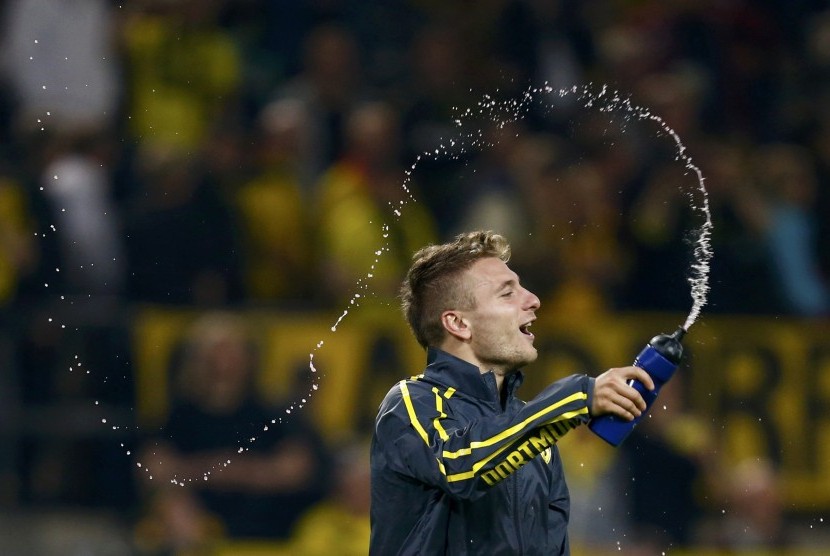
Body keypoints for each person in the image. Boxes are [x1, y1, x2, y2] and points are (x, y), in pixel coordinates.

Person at [370, 230, 657, 555]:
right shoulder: (410, 403)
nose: (533, 300)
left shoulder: (540, 441)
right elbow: (460, 467)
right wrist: (577, 395)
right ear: (458, 323)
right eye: (507, 294)